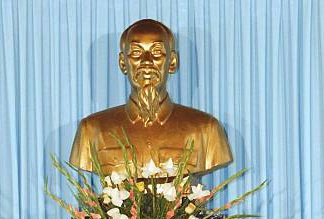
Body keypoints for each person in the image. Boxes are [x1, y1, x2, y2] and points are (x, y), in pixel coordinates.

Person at [70, 19, 232, 177]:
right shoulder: (92, 129)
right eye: (136, 52)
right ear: (122, 63)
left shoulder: (205, 129)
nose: (146, 61)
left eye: (156, 52)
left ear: (172, 62)